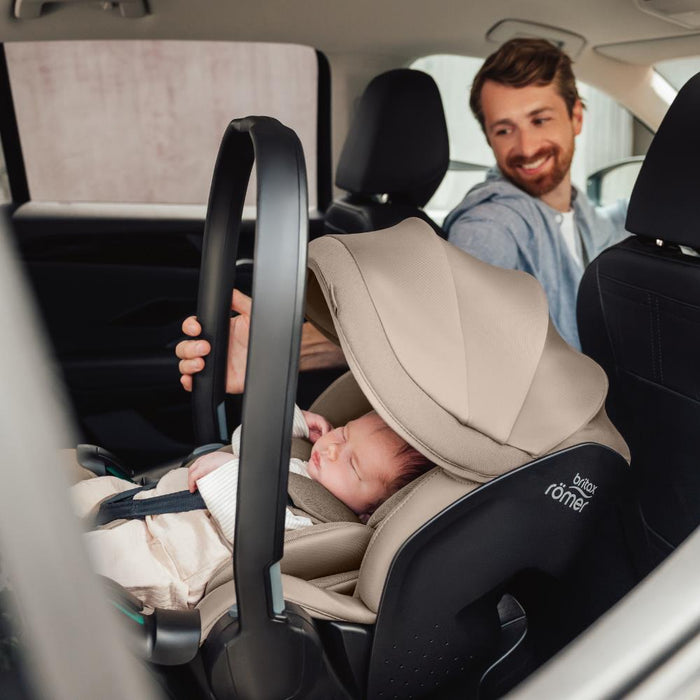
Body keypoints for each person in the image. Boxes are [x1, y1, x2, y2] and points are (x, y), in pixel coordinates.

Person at [71, 404, 433, 610]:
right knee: (76, 498)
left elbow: (252, 530)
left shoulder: (320, 524)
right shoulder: (305, 466)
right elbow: (246, 442)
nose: (334, 448)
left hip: (171, 562)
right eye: (344, 432)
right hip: (148, 507)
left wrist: (230, 472)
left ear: (369, 511)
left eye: (352, 464)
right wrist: (292, 423)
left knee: (75, 565)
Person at [443, 38, 628, 349]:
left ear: (576, 118)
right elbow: (454, 333)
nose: (526, 148)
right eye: (504, 130)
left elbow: (615, 227)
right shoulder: (489, 223)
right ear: (489, 139)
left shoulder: (580, 211)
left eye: (540, 120)